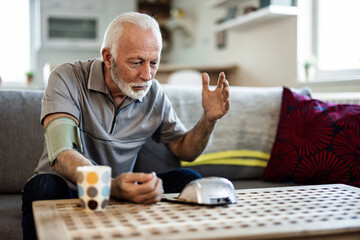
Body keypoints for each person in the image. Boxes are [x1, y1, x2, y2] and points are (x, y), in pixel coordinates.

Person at [21, 12, 230, 240]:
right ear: (108, 58)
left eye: (154, 63)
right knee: (42, 186)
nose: (147, 75)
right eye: (137, 62)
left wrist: (209, 119)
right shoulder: (66, 78)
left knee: (189, 179)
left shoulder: (154, 94)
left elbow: (184, 149)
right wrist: (111, 186)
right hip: (67, 189)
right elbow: (62, 152)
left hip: (119, 191)